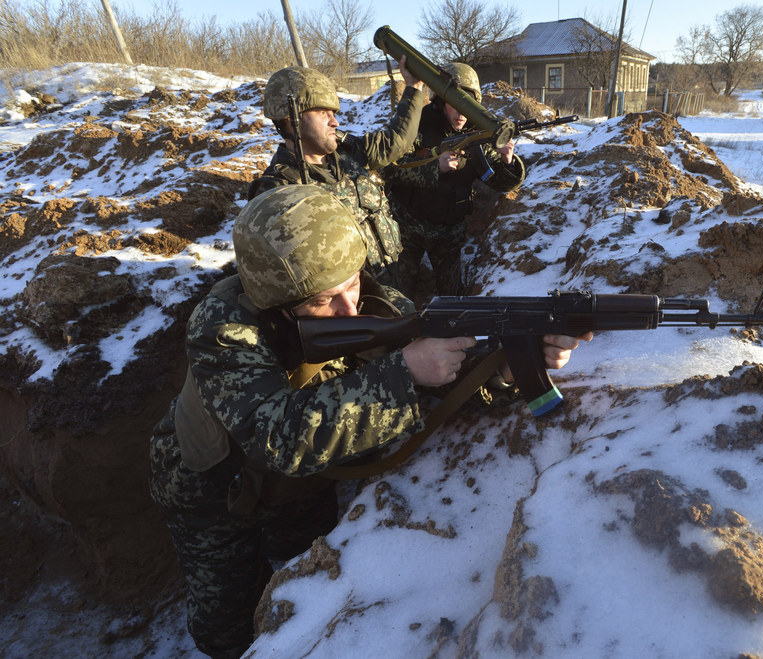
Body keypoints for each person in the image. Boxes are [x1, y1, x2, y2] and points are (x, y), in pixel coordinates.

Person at [148, 185, 590, 658]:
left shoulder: (376, 303)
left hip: (303, 485)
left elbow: (446, 379)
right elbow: (276, 436)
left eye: (352, 283)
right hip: (210, 489)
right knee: (226, 626)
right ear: (277, 302)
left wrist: (502, 368)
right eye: (323, 300)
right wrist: (403, 373)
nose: (349, 309)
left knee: (299, 568)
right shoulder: (222, 328)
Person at [248, 58, 426, 284]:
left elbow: (396, 142)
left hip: (390, 285)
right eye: (323, 112)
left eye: (334, 112)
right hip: (346, 308)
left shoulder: (349, 153)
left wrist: (413, 87)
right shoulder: (278, 190)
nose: (336, 122)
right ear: (290, 118)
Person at [384, 62, 526, 298]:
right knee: (398, 294)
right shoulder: (417, 122)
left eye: (468, 107)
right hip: (407, 227)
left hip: (449, 233)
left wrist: (508, 162)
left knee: (452, 298)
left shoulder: (479, 132)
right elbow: (390, 167)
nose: (461, 114)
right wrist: (433, 167)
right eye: (456, 104)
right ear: (441, 100)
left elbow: (500, 184)